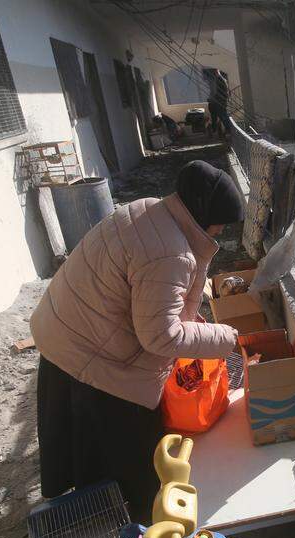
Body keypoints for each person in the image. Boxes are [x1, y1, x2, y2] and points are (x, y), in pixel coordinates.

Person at [30, 160, 244, 518]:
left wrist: (191, 321)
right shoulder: (169, 252)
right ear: (204, 212)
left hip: (66, 332)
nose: (221, 231)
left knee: (87, 451)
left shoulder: (149, 210)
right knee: (133, 448)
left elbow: (152, 301)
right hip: (90, 355)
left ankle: (97, 506)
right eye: (221, 222)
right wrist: (224, 337)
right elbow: (161, 336)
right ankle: (137, 525)